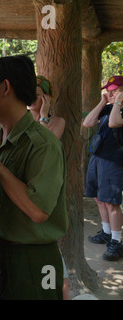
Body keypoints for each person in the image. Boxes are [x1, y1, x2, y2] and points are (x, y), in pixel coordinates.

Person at [0, 55, 68, 300]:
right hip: (0, 253)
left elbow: (38, 211)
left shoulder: (42, 144)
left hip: (33, 260)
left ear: (6, 88)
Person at [83, 75, 123, 261]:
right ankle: (106, 233)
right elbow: (88, 123)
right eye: (109, 90)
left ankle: (116, 241)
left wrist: (118, 103)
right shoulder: (107, 107)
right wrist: (102, 101)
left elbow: (115, 122)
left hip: (113, 161)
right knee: (99, 199)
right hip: (97, 157)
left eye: (114, 90)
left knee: (111, 203)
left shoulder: (118, 110)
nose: (110, 93)